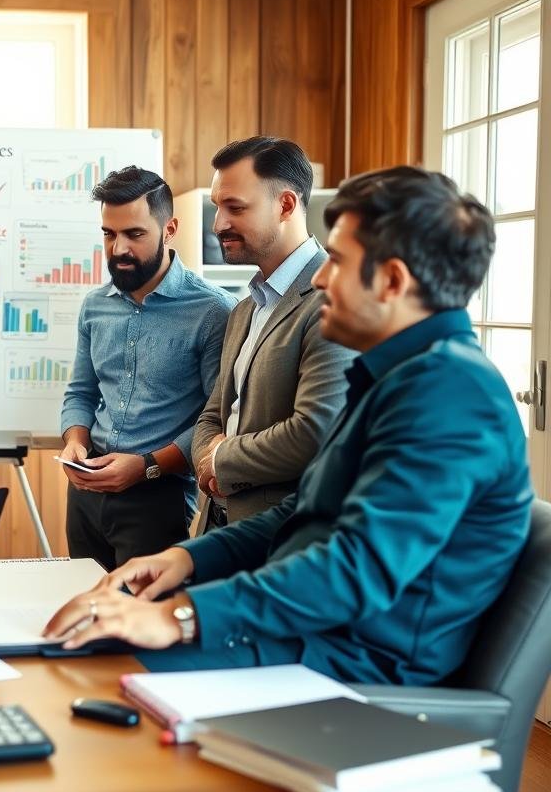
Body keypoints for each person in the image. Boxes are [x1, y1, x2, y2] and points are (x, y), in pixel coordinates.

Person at [45, 166, 533, 686]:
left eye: (339, 262)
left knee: (103, 660)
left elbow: (354, 569)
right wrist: (182, 561)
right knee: (88, 644)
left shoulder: (450, 394)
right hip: (314, 635)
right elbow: (301, 514)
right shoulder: (397, 377)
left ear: (392, 281)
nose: (320, 278)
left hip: (353, 668)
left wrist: (179, 615)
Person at [59, 165, 235, 570]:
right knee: (88, 614)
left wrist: (146, 467)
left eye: (134, 234)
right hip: (86, 488)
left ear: (169, 228)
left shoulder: (212, 311)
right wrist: (75, 442)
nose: (118, 248)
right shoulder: (94, 305)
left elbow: (218, 417)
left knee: (140, 622)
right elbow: (81, 393)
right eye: (109, 234)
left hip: (159, 494)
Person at [193, 136, 356, 525]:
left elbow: (315, 431)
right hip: (217, 522)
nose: (219, 224)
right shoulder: (244, 307)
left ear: (285, 205)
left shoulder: (332, 301)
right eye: (218, 207)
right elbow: (212, 414)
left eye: (235, 207)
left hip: (281, 536)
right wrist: (207, 459)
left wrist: (221, 460)